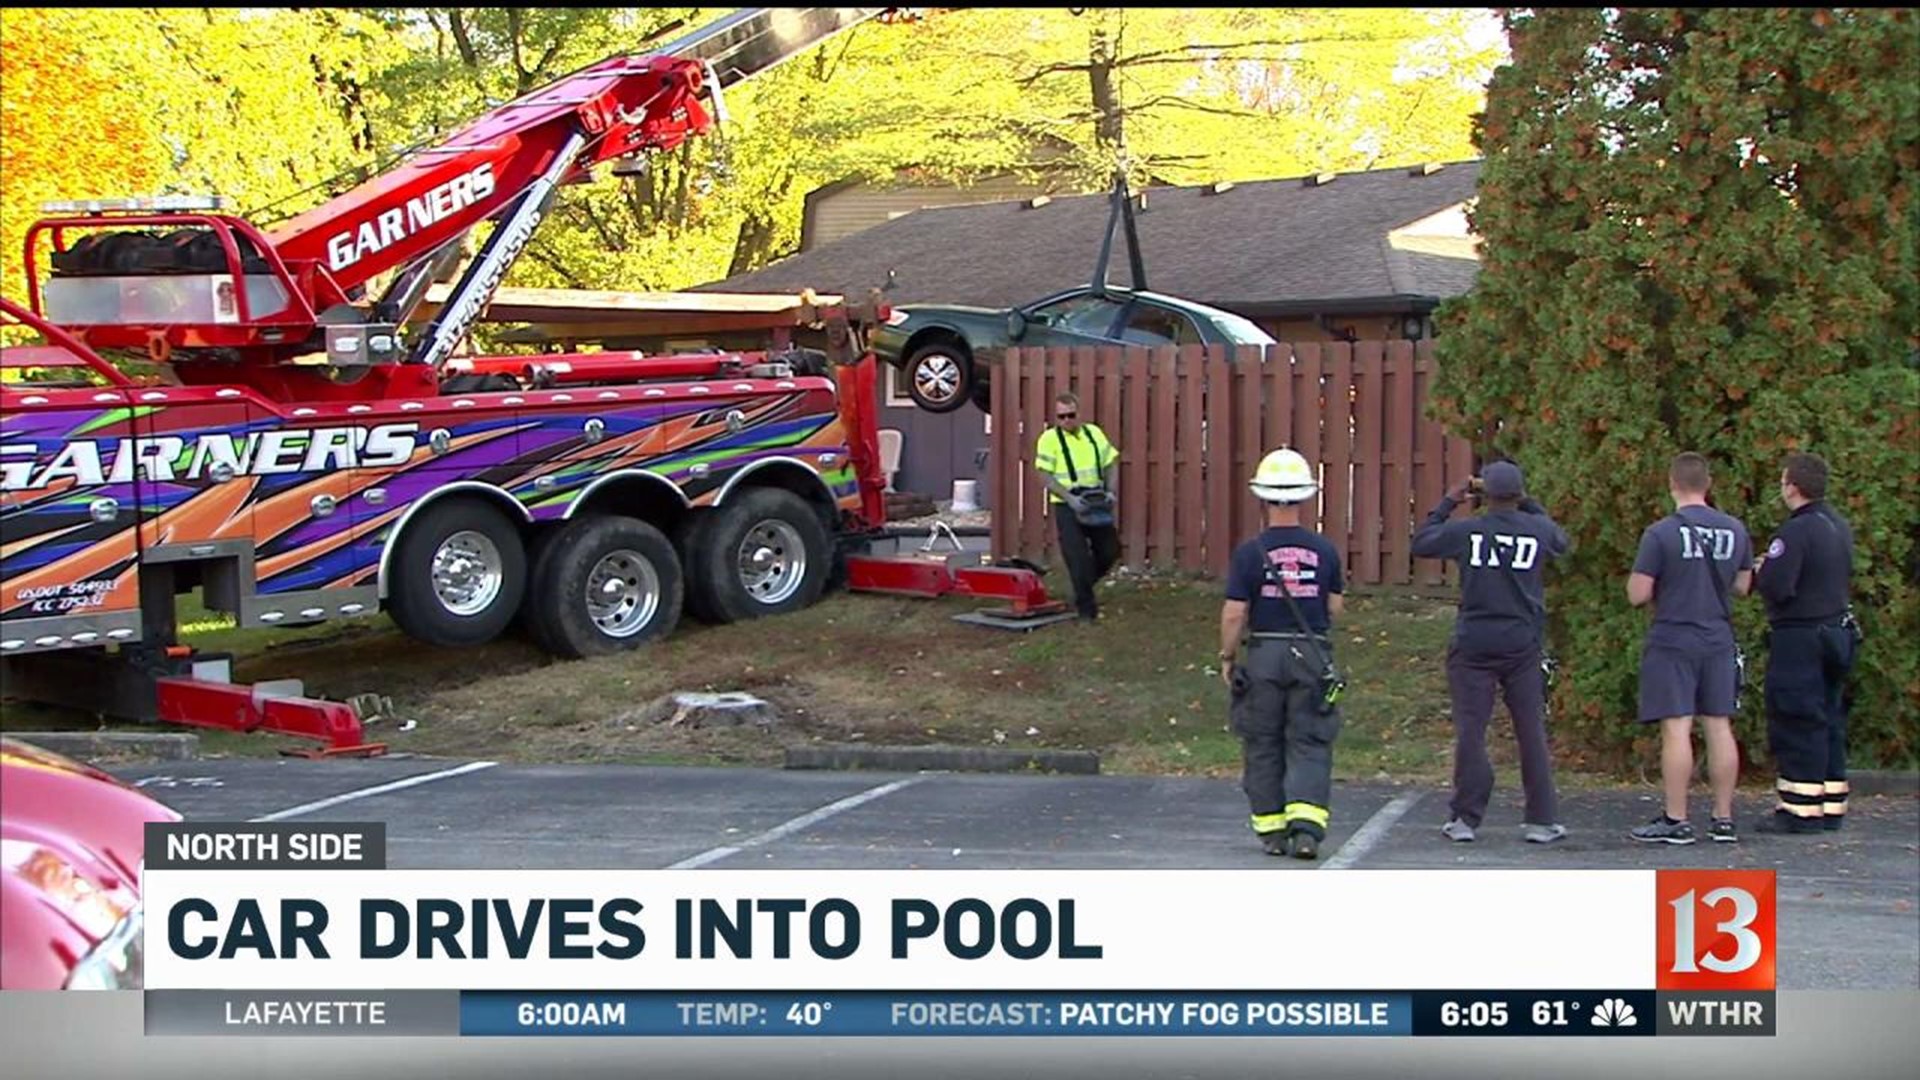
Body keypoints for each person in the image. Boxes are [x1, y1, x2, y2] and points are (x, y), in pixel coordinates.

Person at [1411, 460, 1570, 845]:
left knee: (1472, 730)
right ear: (1519, 494)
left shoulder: (1469, 531)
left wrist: (1449, 501)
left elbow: (1422, 541)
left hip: (1475, 641)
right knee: (1530, 729)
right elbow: (1561, 542)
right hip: (1522, 642)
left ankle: (1466, 818)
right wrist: (1529, 504)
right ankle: (1541, 819)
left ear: (1484, 495)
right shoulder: (1537, 529)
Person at [1219, 448, 1346, 860]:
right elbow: (1334, 607)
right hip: (1311, 653)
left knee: (1262, 741)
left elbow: (1235, 612)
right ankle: (1306, 831)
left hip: (1264, 655)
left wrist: (1227, 656)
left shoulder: (1249, 553)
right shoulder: (1325, 551)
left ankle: (1272, 831)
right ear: (1305, 496)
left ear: (1264, 497)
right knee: (1309, 740)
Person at [1625, 452, 1753, 845]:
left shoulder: (1661, 533)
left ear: (1672, 484)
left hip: (1674, 637)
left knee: (1677, 726)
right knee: (1718, 724)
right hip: (1717, 636)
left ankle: (1676, 818)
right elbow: (1743, 586)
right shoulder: (1735, 529)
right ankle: (1723, 818)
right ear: (1708, 484)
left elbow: (1638, 593)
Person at [1754, 451, 1857, 834]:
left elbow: (1779, 586)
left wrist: (1764, 569)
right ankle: (1830, 804)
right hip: (1836, 632)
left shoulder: (1795, 531)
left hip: (1801, 637)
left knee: (1797, 717)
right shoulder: (1837, 525)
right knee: (1829, 718)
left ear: (1792, 486)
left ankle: (1800, 809)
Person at [1033, 391, 1120, 621]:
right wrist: (1070, 499)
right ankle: (1086, 612)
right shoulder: (1049, 439)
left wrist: (1111, 491)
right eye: (1060, 417)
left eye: (1070, 415)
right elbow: (1045, 475)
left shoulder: (1094, 434)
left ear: (1079, 414)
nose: (1066, 421)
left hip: (1095, 500)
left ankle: (1082, 587)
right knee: (1077, 557)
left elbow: (1111, 463)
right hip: (1066, 504)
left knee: (1110, 550)